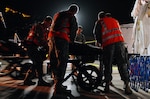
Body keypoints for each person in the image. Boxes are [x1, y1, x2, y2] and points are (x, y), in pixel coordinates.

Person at [93, 11, 132, 95]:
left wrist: (100, 43)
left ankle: (107, 85)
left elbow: (97, 34)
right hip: (120, 43)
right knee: (122, 64)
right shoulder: (115, 20)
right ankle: (127, 85)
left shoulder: (100, 22)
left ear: (100, 17)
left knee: (108, 64)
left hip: (108, 44)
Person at [48, 4, 79, 94]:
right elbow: (73, 30)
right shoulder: (71, 16)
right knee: (62, 61)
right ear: (75, 11)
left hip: (51, 39)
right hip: (61, 39)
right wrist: (72, 41)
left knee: (53, 60)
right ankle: (58, 87)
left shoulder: (58, 14)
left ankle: (56, 83)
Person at [24, 16, 53, 86]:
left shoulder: (43, 28)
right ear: (45, 21)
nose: (49, 25)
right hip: (31, 46)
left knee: (36, 64)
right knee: (38, 62)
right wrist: (47, 46)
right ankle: (40, 81)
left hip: (33, 46)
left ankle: (27, 80)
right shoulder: (39, 27)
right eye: (49, 23)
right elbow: (41, 39)